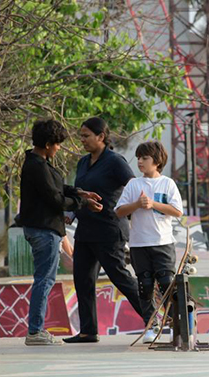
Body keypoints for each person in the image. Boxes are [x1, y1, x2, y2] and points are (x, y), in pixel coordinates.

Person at [64, 117, 154, 343]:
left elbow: (134, 186)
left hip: (109, 229)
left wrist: (133, 211)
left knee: (120, 277)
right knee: (82, 279)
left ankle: (152, 318)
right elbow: (80, 192)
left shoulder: (114, 161)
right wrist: (72, 212)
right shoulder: (83, 162)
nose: (82, 140)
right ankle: (88, 331)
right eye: (81, 136)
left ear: (101, 137)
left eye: (86, 136)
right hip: (85, 230)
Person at [18, 119, 102, 346]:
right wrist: (81, 203)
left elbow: (58, 188)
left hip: (46, 229)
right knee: (44, 280)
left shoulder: (41, 164)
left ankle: (36, 330)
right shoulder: (36, 166)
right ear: (47, 144)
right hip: (44, 230)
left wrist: (81, 194)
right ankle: (35, 331)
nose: (58, 148)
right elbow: (55, 199)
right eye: (57, 144)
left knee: (44, 279)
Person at [115, 141, 183, 343]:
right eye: (138, 158)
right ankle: (151, 325)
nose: (140, 162)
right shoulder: (134, 184)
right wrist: (137, 204)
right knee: (144, 285)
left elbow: (177, 211)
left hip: (162, 242)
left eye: (145, 158)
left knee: (166, 283)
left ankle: (174, 323)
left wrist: (154, 204)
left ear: (157, 161)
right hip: (138, 244)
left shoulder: (167, 183)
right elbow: (119, 211)